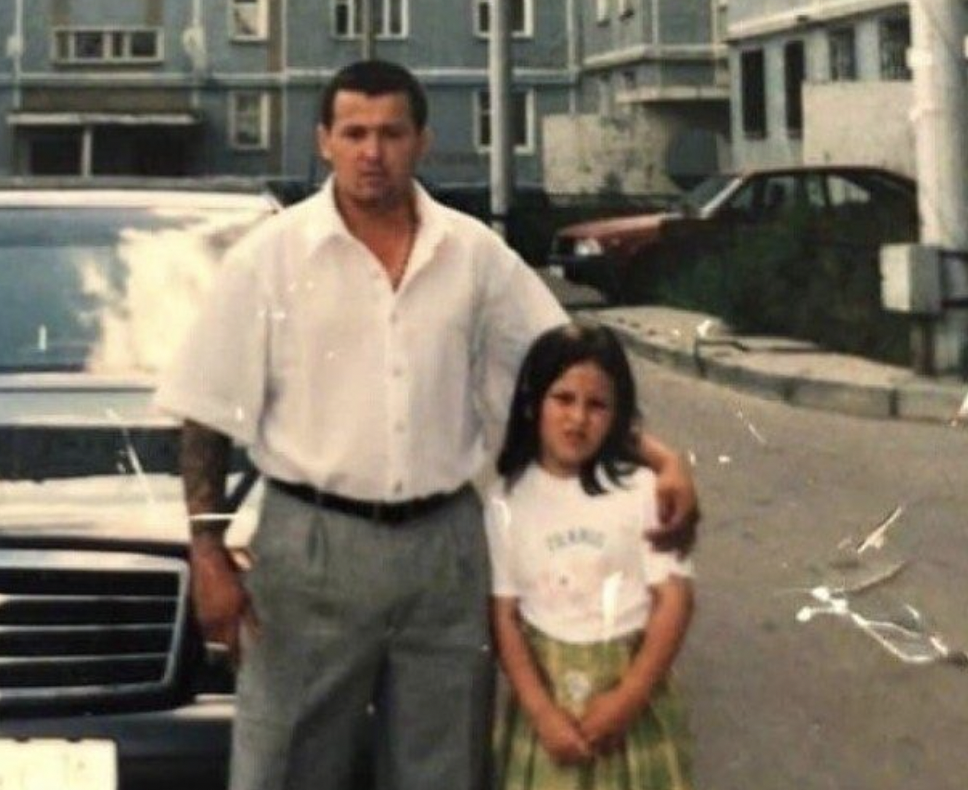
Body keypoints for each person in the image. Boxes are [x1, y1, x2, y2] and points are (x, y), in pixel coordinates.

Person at [154, 60, 697, 790]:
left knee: (442, 768)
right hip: (310, 548)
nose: (371, 151)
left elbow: (565, 370)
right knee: (288, 764)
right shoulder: (269, 259)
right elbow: (207, 412)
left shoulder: (473, 255)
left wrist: (661, 459)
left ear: (421, 142)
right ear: (323, 141)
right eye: (354, 133)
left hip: (444, 549)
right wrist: (208, 553)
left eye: (390, 133)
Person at [487, 321, 695, 790]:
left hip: (628, 697)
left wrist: (629, 697)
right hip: (548, 705)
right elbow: (504, 616)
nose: (578, 419)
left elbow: (675, 601)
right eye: (563, 399)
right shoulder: (507, 500)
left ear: (617, 415)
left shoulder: (640, 490)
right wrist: (541, 712)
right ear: (532, 402)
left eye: (596, 405)